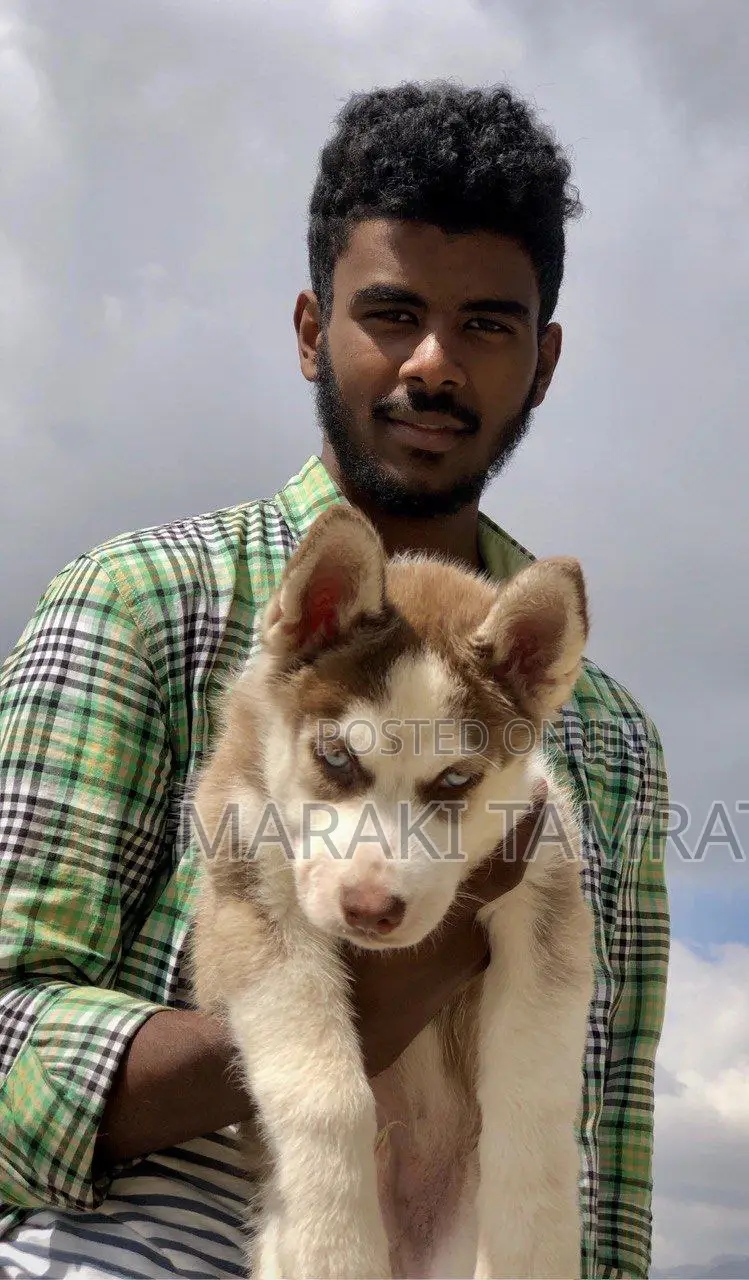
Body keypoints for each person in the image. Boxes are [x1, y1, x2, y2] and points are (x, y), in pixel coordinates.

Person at [0, 82, 670, 1278]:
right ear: (313, 329)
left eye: (486, 324)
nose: (433, 362)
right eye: (393, 312)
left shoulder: (605, 731)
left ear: (545, 358)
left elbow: (603, 1119)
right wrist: (374, 1009)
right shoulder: (146, 599)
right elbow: (5, 1033)